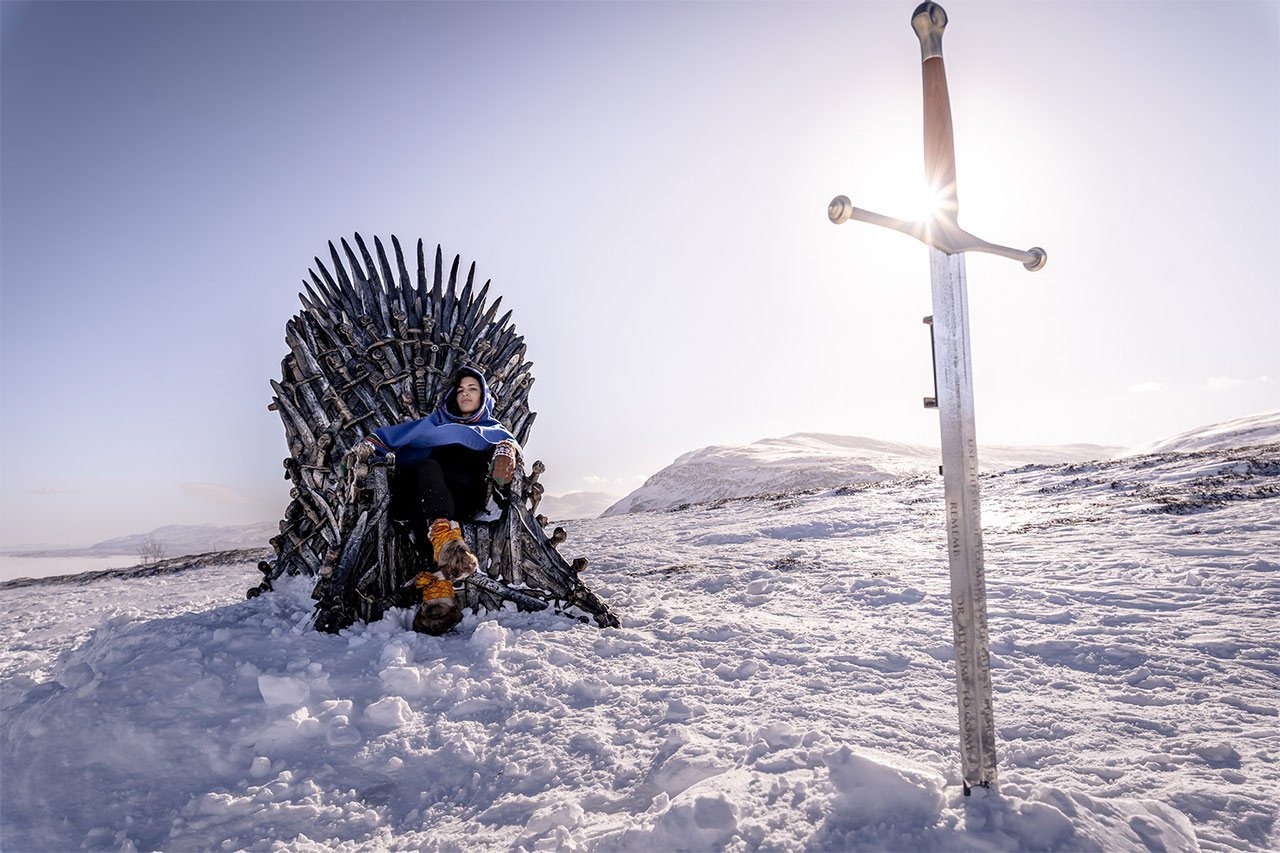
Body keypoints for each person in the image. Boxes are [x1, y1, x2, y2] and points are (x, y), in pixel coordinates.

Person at [359, 366, 520, 633]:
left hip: (464, 498)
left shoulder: (493, 429)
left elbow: (508, 444)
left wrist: (506, 451)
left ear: (483, 395)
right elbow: (387, 439)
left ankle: (442, 557)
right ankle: (444, 559)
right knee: (426, 472)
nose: (466, 394)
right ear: (452, 397)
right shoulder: (433, 423)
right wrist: (365, 449)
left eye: (472, 389)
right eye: (460, 390)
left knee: (430, 484)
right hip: (423, 497)